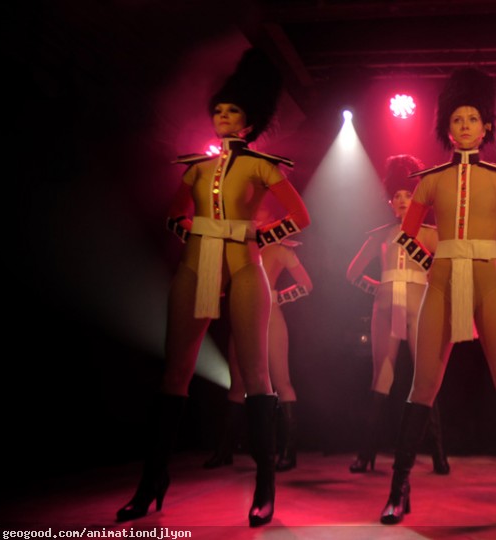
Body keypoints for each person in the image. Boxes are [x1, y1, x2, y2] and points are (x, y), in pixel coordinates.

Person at [116, 48, 310, 528]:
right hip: (196, 264)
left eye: (232, 110)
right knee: (174, 372)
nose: (222, 116)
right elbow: (172, 217)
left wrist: (256, 235)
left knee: (257, 374)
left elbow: (300, 216)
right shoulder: (197, 169)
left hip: (245, 265)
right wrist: (199, 233)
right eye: (218, 110)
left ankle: (265, 487)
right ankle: (152, 480)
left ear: (249, 120)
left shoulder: (263, 166)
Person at [379, 67, 496, 528]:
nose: (465, 126)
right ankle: (398, 489)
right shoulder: (430, 179)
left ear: (486, 125)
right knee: (422, 386)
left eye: (473, 118)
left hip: (488, 282)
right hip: (441, 282)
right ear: (447, 129)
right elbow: (406, 234)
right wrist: (434, 262)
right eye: (457, 119)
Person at [346, 155, 449, 475]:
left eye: (408, 195)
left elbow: (449, 271)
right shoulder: (380, 235)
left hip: (420, 309)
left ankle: (439, 455)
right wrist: (379, 288)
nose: (403, 201)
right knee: (382, 377)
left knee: (426, 379)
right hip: (386, 309)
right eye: (398, 196)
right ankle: (366, 454)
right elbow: (352, 273)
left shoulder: (431, 235)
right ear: (390, 202)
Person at [204, 215, 313, 472]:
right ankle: (225, 450)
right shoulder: (237, 247)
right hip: (243, 313)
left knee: (281, 382)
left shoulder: (280, 250)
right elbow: (220, 284)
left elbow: (306, 285)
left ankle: (288, 451)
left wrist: (273, 298)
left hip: (269, 317)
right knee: (238, 385)